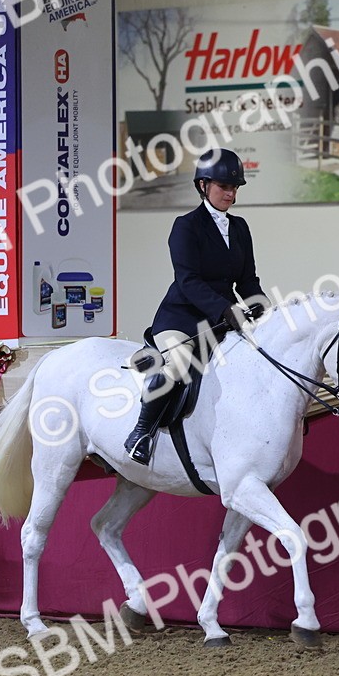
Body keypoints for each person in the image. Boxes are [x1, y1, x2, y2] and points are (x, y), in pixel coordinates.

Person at [123, 148, 269, 465]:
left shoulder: (241, 227)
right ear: (203, 185)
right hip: (182, 319)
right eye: (224, 187)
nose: (231, 193)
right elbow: (188, 281)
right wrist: (225, 309)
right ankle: (141, 433)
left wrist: (262, 306)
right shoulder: (185, 226)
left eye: (234, 188)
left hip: (224, 322)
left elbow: (247, 280)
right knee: (176, 364)